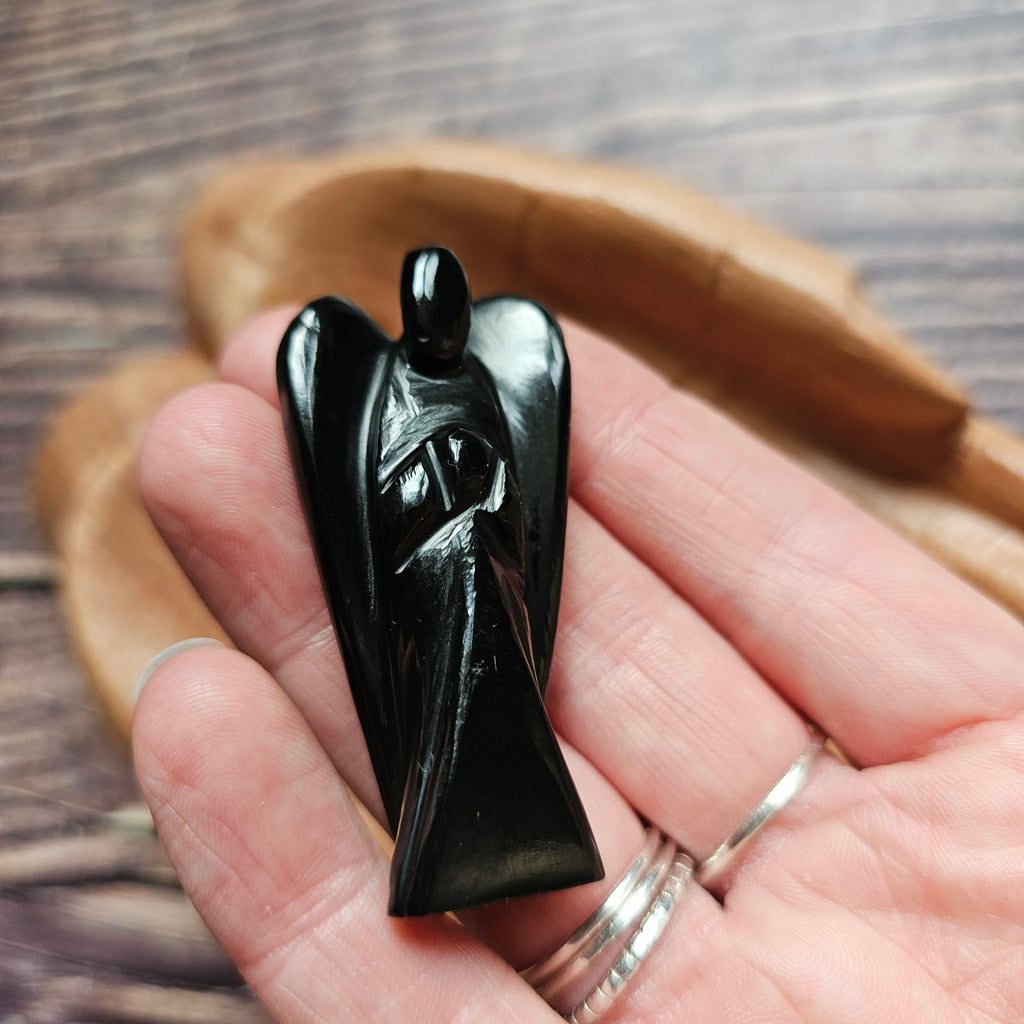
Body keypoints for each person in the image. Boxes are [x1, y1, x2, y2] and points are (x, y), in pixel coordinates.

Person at [133, 307, 1024, 1023]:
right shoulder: (374, 391)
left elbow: (517, 501)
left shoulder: (495, 373)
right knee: (441, 708)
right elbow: (379, 505)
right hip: (429, 571)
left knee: (493, 686)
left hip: (485, 565)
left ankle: (510, 828)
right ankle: (454, 832)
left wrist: (482, 515)